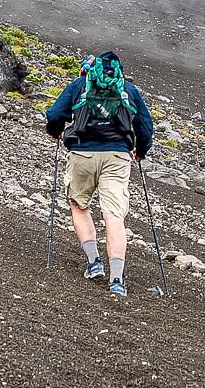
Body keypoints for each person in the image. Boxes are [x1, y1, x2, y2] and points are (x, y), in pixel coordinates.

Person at [45, 50, 154, 298]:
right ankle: (117, 280)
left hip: (82, 154)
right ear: (118, 69)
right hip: (117, 156)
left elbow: (54, 115)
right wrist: (140, 151)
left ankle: (94, 263)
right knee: (114, 216)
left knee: (79, 205)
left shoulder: (79, 85)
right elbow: (145, 127)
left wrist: (57, 132)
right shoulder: (128, 90)